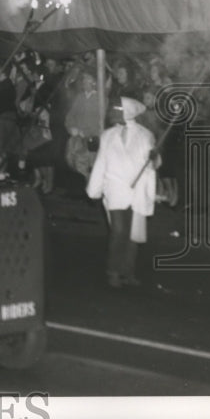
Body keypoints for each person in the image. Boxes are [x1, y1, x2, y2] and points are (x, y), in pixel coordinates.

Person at [86, 97, 158, 288]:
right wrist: (94, 189)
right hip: (115, 189)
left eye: (118, 109)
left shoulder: (146, 135)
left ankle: (128, 272)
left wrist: (155, 158)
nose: (113, 112)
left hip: (136, 191)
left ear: (128, 112)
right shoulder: (108, 136)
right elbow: (101, 163)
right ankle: (113, 271)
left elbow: (153, 164)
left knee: (133, 234)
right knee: (119, 230)